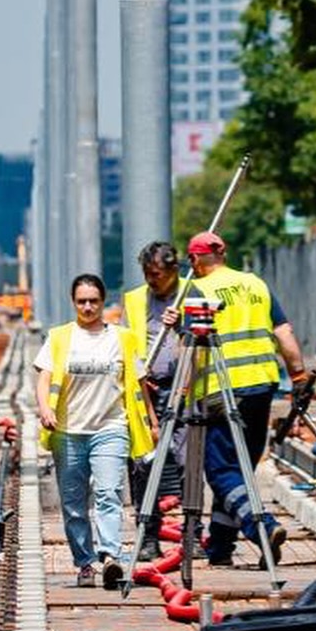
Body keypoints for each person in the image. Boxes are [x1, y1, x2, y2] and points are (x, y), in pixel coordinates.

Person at [186, 231, 311, 566]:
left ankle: (263, 527)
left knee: (221, 471)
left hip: (222, 389)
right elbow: (284, 333)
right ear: (223, 254)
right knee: (239, 470)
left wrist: (185, 391)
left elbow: (192, 350)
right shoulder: (256, 284)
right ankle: (220, 547)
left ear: (195, 260)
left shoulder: (198, 290)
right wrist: (298, 376)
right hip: (262, 386)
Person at [35, 273, 157, 588]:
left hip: (111, 428)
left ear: (103, 302)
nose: (87, 307)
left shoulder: (123, 338)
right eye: (81, 302)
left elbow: (139, 384)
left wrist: (152, 421)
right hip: (68, 432)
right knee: (74, 504)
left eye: (93, 301)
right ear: (73, 302)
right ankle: (85, 563)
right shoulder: (60, 337)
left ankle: (110, 556)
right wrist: (45, 408)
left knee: (109, 493)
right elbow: (44, 377)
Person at [123, 240, 184, 562]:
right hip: (148, 389)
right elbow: (125, 345)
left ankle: (193, 534)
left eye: (156, 274)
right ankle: (148, 536)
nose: (151, 280)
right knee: (143, 465)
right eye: (147, 273)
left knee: (188, 462)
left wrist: (183, 324)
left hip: (187, 389)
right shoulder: (135, 299)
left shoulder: (192, 293)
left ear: (173, 270)